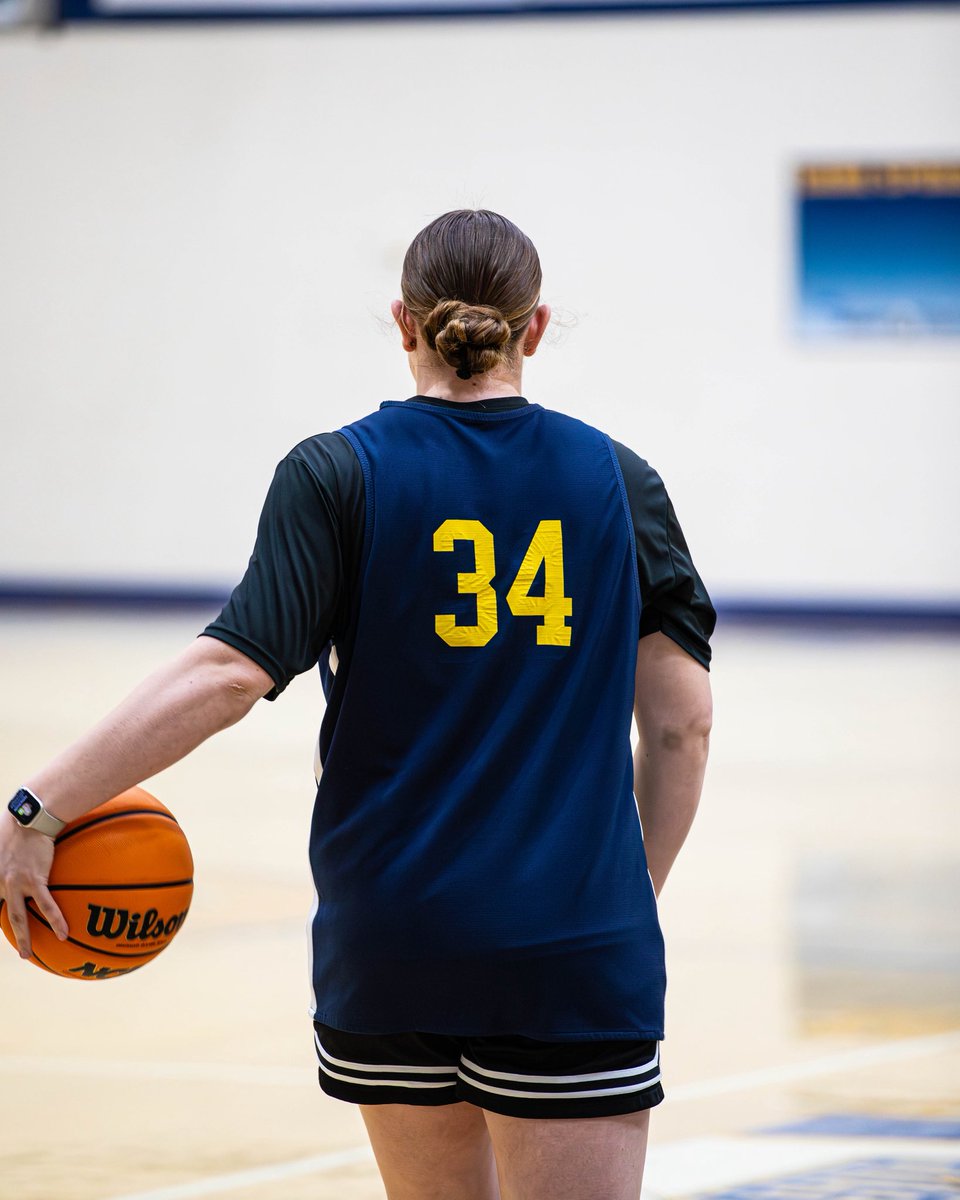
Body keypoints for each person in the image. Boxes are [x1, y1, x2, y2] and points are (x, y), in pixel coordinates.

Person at [1, 209, 714, 1200]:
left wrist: (37, 807)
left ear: (403, 321)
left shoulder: (335, 473)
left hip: (392, 943)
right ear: (537, 327)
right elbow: (681, 724)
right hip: (571, 947)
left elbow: (228, 675)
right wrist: (629, 899)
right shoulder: (618, 480)